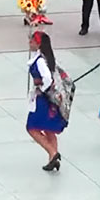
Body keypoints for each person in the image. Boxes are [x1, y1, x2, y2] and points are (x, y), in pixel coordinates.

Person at [26, 31, 67, 171]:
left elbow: (48, 79)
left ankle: (52, 152)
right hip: (48, 99)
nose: (29, 43)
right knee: (49, 129)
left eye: (31, 41)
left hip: (43, 99)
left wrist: (41, 89)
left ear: (38, 44)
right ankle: (52, 160)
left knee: (32, 127)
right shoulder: (43, 58)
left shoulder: (40, 61)